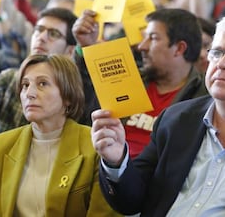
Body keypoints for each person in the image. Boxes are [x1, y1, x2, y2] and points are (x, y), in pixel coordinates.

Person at [91, 14, 225, 216]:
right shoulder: (176, 118)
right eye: (217, 52)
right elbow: (132, 201)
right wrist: (117, 161)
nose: (221, 63)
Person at [0, 54, 121, 217]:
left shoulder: (95, 147)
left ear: (68, 96)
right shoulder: (0, 144)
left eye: (42, 84)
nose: (29, 93)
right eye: (25, 85)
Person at [73, 8, 208, 156]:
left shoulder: (204, 99)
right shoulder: (128, 78)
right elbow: (82, 101)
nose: (142, 46)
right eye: (145, 37)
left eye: (153, 38)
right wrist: (84, 48)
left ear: (179, 48)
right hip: (101, 168)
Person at [0, 7, 78, 134]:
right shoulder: (12, 78)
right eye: (39, 30)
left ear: (70, 50)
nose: (41, 37)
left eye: (53, 34)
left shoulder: (73, 88)